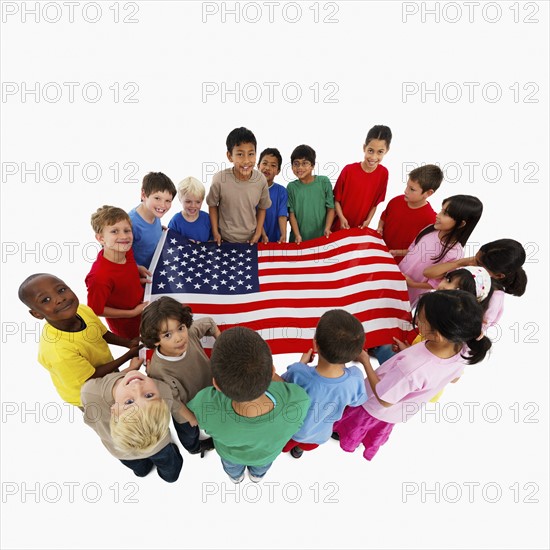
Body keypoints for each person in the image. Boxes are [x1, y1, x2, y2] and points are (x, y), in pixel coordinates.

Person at [333, 290, 492, 460]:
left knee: (353, 424)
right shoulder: (461, 349)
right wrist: (408, 352)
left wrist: (365, 361)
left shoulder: (412, 368)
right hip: (396, 412)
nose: (416, 321)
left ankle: (343, 434)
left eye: (421, 320)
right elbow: (454, 378)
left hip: (373, 407)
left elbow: (383, 399)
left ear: (437, 334)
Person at [187, 327, 310, 483]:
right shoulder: (298, 401)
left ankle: (236, 478)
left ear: (216, 385)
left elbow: (191, 411)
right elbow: (291, 390)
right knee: (261, 469)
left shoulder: (205, 404)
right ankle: (257, 476)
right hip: (266, 456)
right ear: (272, 371)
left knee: (232, 469)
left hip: (230, 456)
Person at [18, 273, 140, 407]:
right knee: (116, 423)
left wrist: (128, 343)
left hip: (107, 371)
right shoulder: (58, 350)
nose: (59, 299)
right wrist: (129, 355)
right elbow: (91, 376)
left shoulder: (81, 310)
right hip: (90, 396)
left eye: (61, 290)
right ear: (37, 314)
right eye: (45, 300)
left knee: (138, 410)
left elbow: (101, 333)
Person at [280, 310, 368, 458]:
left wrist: (301, 364)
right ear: (356, 353)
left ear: (315, 344)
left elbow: (282, 387)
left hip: (291, 431)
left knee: (285, 445)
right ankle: (298, 451)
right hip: (320, 434)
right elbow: (357, 401)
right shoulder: (356, 379)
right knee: (305, 446)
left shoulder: (298, 372)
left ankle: (295, 449)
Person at [140, 297, 220, 457]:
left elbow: (209, 323)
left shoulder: (189, 334)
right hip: (186, 409)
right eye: (168, 335)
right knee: (189, 433)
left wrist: (221, 339)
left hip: (210, 392)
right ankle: (194, 447)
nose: (179, 337)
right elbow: (173, 401)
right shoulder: (158, 370)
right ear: (156, 340)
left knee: (216, 418)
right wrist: (192, 418)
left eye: (180, 328)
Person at [81, 369, 184, 482]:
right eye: (149, 395)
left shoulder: (90, 393)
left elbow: (90, 421)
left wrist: (129, 370)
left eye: (129, 402)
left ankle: (143, 471)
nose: (137, 386)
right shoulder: (163, 390)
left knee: (139, 467)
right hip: (159, 447)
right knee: (170, 468)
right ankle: (170, 478)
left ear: (114, 411)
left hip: (121, 453)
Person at [423, 239, 527, 330]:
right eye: (475, 258)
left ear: (498, 275)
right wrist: (459, 263)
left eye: (477, 263)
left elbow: (477, 328)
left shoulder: (495, 296)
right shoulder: (470, 269)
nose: (472, 263)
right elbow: (428, 273)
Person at [400, 194, 483, 307]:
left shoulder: (455, 253)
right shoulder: (429, 230)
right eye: (441, 210)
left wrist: (413, 284)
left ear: (461, 223)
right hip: (396, 276)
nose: (438, 215)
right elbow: (412, 251)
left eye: (445, 214)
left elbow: (438, 283)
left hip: (410, 293)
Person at [85, 206, 147, 339]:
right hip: (129, 326)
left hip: (145, 309)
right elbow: (95, 309)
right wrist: (132, 313)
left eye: (127, 230)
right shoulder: (99, 276)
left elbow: (124, 270)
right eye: (114, 231)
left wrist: (136, 271)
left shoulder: (125, 249)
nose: (123, 236)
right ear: (101, 239)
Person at [206, 127, 271, 244]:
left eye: (251, 154)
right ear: (230, 156)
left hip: (250, 240)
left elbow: (262, 208)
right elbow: (212, 205)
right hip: (225, 239)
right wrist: (216, 232)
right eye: (240, 154)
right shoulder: (219, 179)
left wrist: (257, 233)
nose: (246, 160)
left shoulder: (261, 180)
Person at [377, 164, 443, 264]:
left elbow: (419, 249)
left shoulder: (431, 220)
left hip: (399, 264)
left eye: (412, 189)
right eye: (407, 186)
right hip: (378, 251)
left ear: (428, 193)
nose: (405, 191)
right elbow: (383, 218)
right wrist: (380, 228)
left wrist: (397, 253)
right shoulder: (396, 201)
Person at [333, 125, 392, 231]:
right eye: (370, 150)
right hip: (338, 226)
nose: (373, 157)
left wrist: (368, 220)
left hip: (359, 228)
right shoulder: (348, 170)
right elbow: (336, 200)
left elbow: (375, 203)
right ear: (364, 148)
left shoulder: (384, 173)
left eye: (380, 152)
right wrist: (341, 218)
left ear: (386, 151)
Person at [287, 144, 335, 243]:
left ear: (312, 165)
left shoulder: (323, 182)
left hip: (321, 239)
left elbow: (330, 208)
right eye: (296, 163)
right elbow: (291, 214)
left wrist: (327, 228)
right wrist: (297, 235)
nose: (300, 167)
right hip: (298, 241)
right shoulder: (291, 187)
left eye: (305, 163)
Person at [128, 172, 177, 268]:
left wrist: (159, 230)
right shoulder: (130, 223)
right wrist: (136, 268)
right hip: (138, 277)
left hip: (155, 269)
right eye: (157, 198)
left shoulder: (154, 214)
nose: (163, 205)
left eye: (168, 201)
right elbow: (117, 255)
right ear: (143, 194)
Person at [167, 176, 212, 242]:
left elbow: (213, 239)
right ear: (180, 199)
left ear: (202, 201)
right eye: (188, 201)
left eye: (198, 202)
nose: (193, 206)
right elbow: (170, 242)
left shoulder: (207, 218)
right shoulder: (176, 220)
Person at [258, 147, 288, 243]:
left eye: (273, 165)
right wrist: (262, 234)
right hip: (253, 242)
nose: (267, 168)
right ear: (258, 166)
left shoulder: (282, 191)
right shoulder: (250, 189)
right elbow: (253, 215)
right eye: (265, 163)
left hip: (275, 242)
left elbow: (282, 215)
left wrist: (283, 234)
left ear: (278, 171)